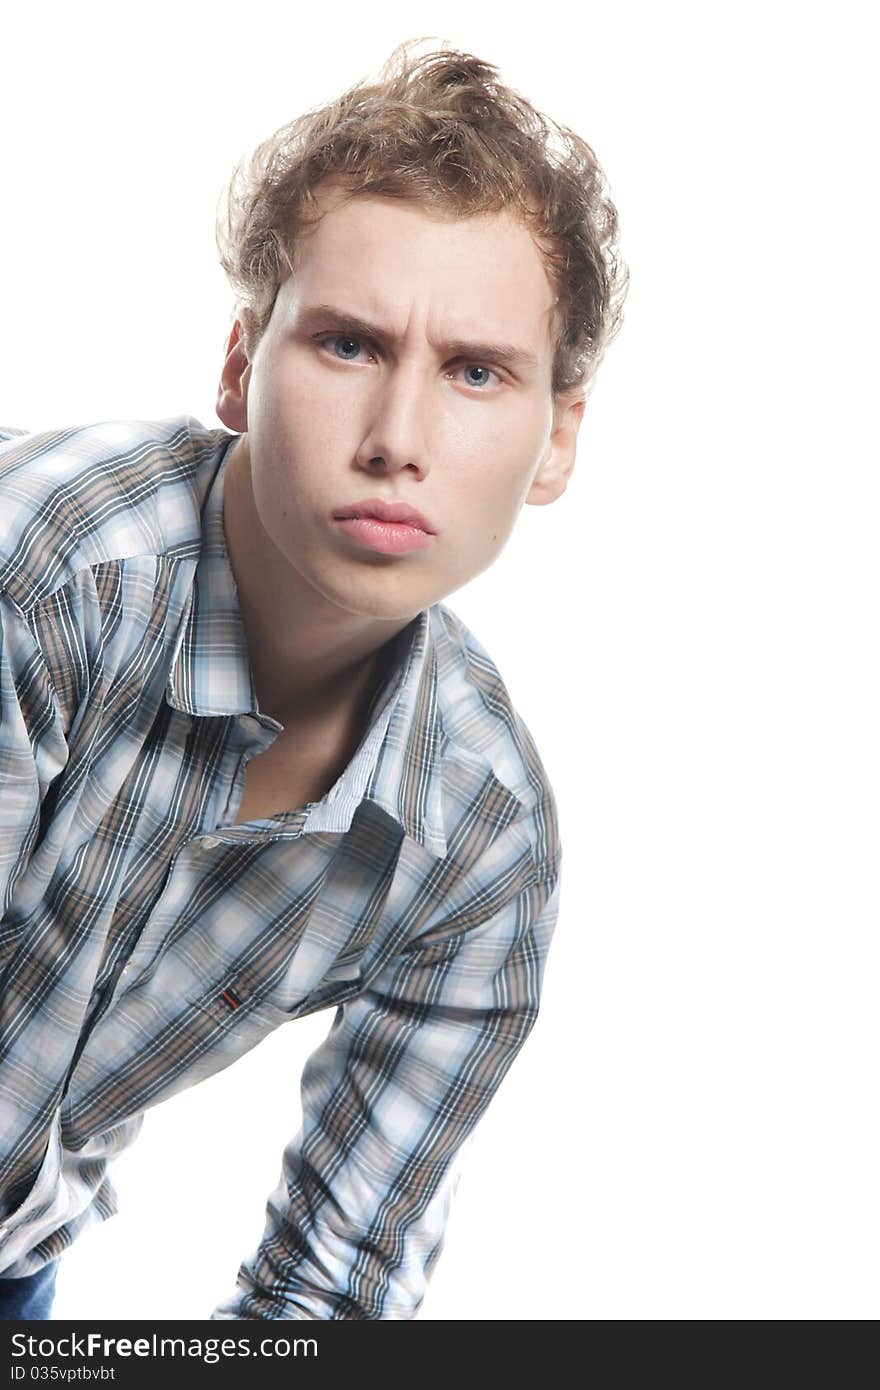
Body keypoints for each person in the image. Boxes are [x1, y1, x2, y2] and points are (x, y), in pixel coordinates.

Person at [0, 39, 626, 1320]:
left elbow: (331, 1294)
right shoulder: (48, 571)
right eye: (346, 345)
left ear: (555, 437)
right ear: (241, 365)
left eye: (474, 371)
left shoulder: (480, 837)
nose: (399, 441)